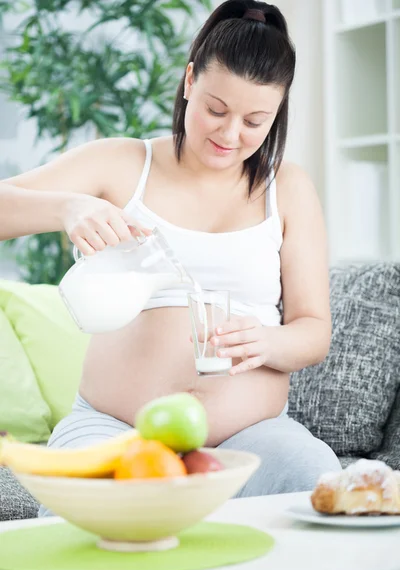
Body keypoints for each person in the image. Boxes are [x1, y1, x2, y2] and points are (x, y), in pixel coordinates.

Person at [0, 0, 341, 515]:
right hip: (115, 428)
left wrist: (269, 341)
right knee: (84, 528)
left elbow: (313, 331)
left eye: (255, 120)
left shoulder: (287, 189)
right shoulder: (121, 164)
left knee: (321, 488)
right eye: (216, 110)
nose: (229, 136)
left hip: (253, 437)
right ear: (188, 82)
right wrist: (68, 207)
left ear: (279, 109)